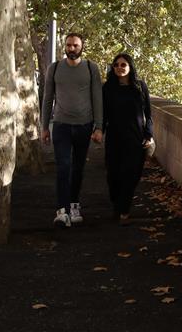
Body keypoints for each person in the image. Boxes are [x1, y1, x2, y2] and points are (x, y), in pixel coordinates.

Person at [41, 33, 103, 228]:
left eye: (75, 45)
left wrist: (99, 127)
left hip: (84, 126)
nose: (72, 48)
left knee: (77, 167)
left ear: (82, 47)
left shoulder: (91, 68)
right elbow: (47, 97)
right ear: (64, 47)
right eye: (69, 45)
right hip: (61, 125)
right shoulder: (55, 68)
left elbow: (97, 98)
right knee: (63, 167)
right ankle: (62, 211)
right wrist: (44, 126)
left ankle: (74, 205)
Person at [102, 53, 154, 225]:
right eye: (116, 65)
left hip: (135, 138)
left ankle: (123, 209)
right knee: (113, 175)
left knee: (131, 174)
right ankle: (117, 203)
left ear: (130, 67)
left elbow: (148, 114)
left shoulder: (140, 87)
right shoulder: (107, 88)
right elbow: (103, 114)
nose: (119, 67)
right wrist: (98, 130)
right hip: (114, 138)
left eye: (123, 65)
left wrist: (149, 134)